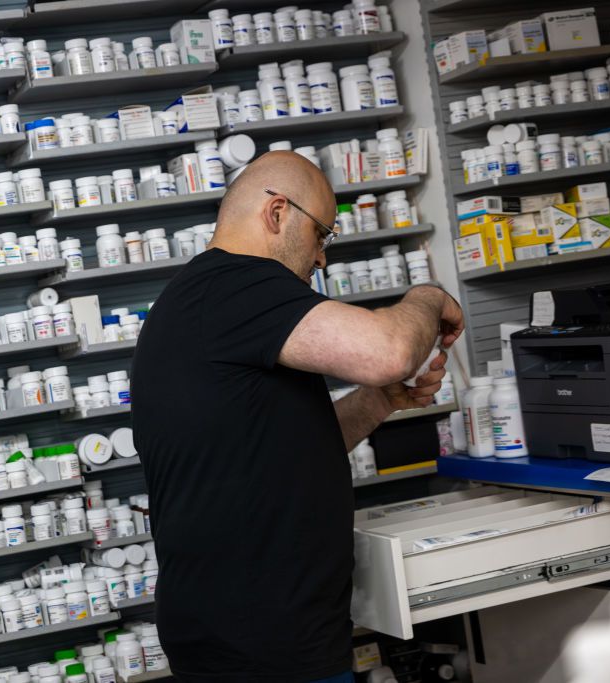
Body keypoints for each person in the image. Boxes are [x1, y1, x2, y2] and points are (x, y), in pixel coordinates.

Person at [131, 151, 464, 682]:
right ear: (278, 213)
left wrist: (379, 400)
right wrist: (427, 295)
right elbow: (390, 351)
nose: (322, 258)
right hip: (260, 647)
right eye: (322, 236)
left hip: (260, 636)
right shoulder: (235, 285)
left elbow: (284, 447)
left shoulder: (210, 299)